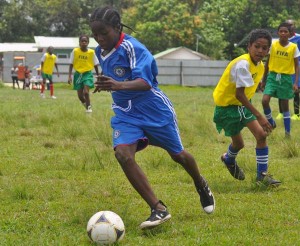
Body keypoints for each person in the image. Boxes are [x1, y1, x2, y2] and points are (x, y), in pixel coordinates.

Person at [90, 6, 215, 230]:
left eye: (103, 33)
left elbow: (146, 83)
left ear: (117, 28)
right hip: (125, 113)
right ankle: (158, 209)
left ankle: (200, 183)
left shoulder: (134, 48)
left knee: (179, 156)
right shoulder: (100, 51)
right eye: (95, 34)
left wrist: (118, 84)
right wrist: (105, 83)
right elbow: (114, 75)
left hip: (154, 110)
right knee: (123, 155)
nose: (99, 39)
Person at [213, 29, 281, 187]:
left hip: (241, 107)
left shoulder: (260, 65)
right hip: (227, 108)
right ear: (249, 46)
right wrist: (260, 115)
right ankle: (228, 159)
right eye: (257, 46)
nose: (260, 51)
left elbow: (248, 93)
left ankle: (262, 177)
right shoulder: (243, 64)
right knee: (239, 145)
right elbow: (239, 94)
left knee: (261, 136)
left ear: (268, 50)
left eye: (264, 48)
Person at [261, 22, 300, 137]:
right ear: (278, 33)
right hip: (272, 77)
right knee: (264, 100)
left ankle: (287, 132)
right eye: (281, 31)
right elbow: (267, 63)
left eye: (285, 31)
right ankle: (271, 122)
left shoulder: (293, 47)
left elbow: (297, 65)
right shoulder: (273, 45)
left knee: (285, 106)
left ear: (289, 34)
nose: (283, 33)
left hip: (286, 78)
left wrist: (296, 82)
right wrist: (264, 79)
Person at [68, 35, 100, 113]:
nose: (84, 43)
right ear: (79, 42)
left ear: (88, 43)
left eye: (86, 41)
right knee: (80, 97)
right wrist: (69, 76)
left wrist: (99, 76)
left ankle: (89, 109)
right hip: (78, 74)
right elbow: (71, 64)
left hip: (87, 74)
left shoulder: (91, 52)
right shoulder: (75, 51)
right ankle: (87, 104)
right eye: (82, 41)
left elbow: (96, 65)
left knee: (86, 92)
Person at [276, 20, 300, 120]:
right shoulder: (282, 38)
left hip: (295, 68)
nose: (289, 27)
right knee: (281, 89)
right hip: (284, 68)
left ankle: (297, 114)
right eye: (287, 25)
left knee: (296, 90)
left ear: (294, 26)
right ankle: (281, 113)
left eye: (291, 25)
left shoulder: (298, 38)